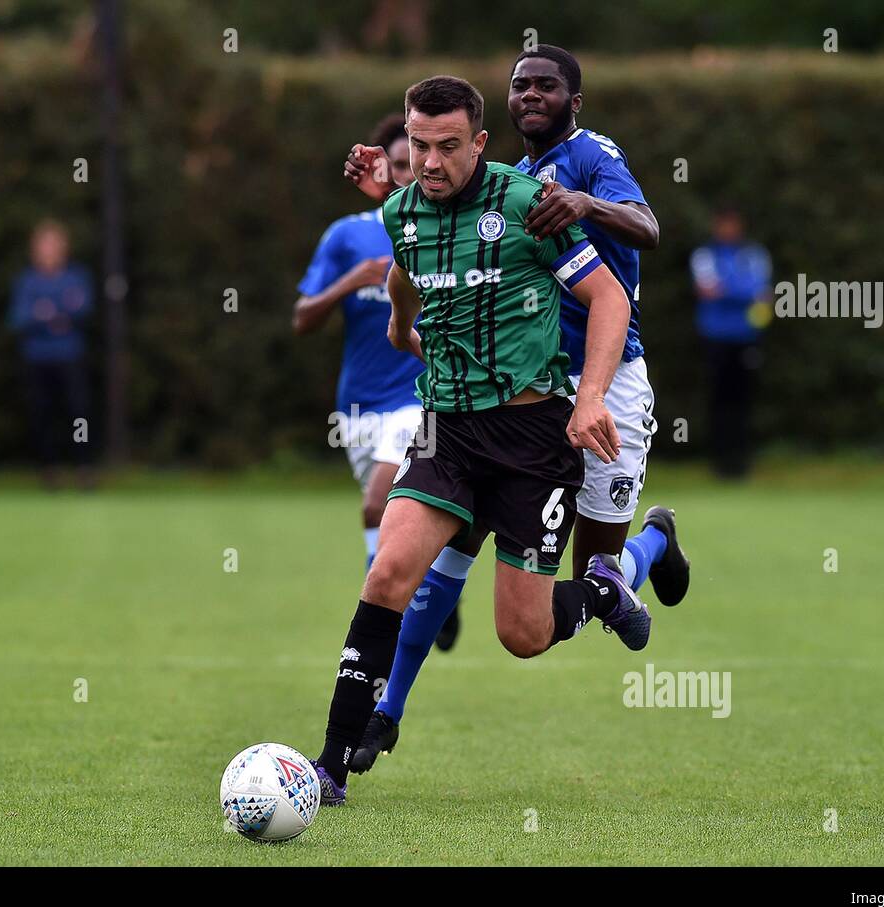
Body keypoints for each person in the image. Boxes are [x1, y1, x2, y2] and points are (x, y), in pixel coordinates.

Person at [343, 45, 691, 775]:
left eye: (547, 86)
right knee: (439, 565)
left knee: (594, 567)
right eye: (520, 85)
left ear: (575, 99)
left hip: (605, 377)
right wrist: (391, 185)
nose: (531, 95)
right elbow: (429, 229)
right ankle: (385, 712)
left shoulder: (591, 156)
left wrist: (588, 205)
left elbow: (648, 230)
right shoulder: (502, 176)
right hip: (512, 396)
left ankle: (649, 545)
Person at [294, 115, 462, 651]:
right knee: (399, 519)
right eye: (402, 159)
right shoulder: (348, 235)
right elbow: (303, 318)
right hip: (358, 406)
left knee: (379, 502)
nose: (414, 170)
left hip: (422, 396)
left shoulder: (445, 231)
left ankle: (384, 620)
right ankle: (434, 592)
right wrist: (354, 280)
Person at [9, 220, 96, 487]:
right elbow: (19, 318)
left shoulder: (77, 277)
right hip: (38, 358)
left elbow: (83, 309)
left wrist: (46, 313)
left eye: (54, 244)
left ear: (64, 248)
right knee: (42, 414)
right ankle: (49, 470)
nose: (49, 250)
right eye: (44, 245)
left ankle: (84, 468)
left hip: (70, 356)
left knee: (78, 412)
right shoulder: (27, 281)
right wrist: (51, 316)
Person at [691, 207, 772, 479]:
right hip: (716, 339)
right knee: (718, 403)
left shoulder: (754, 254)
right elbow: (709, 290)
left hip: (747, 338)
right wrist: (743, 290)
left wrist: (729, 289)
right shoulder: (704, 255)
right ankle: (720, 465)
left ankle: (741, 464)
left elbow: (761, 292)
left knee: (742, 403)